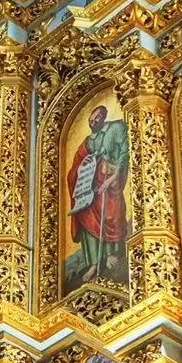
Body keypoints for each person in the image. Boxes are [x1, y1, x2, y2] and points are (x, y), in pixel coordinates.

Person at [66, 105, 129, 286]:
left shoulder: (116, 128)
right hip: (91, 186)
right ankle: (93, 264)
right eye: (91, 120)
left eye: (97, 119)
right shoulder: (87, 142)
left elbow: (125, 152)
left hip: (109, 183)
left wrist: (113, 177)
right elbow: (76, 165)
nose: (93, 122)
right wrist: (83, 164)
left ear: (103, 118)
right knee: (86, 217)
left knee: (111, 213)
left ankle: (111, 253)